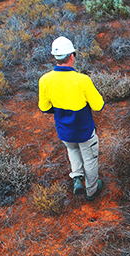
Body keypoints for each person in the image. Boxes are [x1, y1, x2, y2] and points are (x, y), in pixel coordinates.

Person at [39, 36, 105, 201]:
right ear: (71, 56)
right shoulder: (82, 80)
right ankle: (91, 190)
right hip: (84, 130)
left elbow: (44, 108)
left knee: (72, 149)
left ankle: (77, 178)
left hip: (65, 130)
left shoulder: (45, 80)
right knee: (89, 158)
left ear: (56, 57)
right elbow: (98, 105)